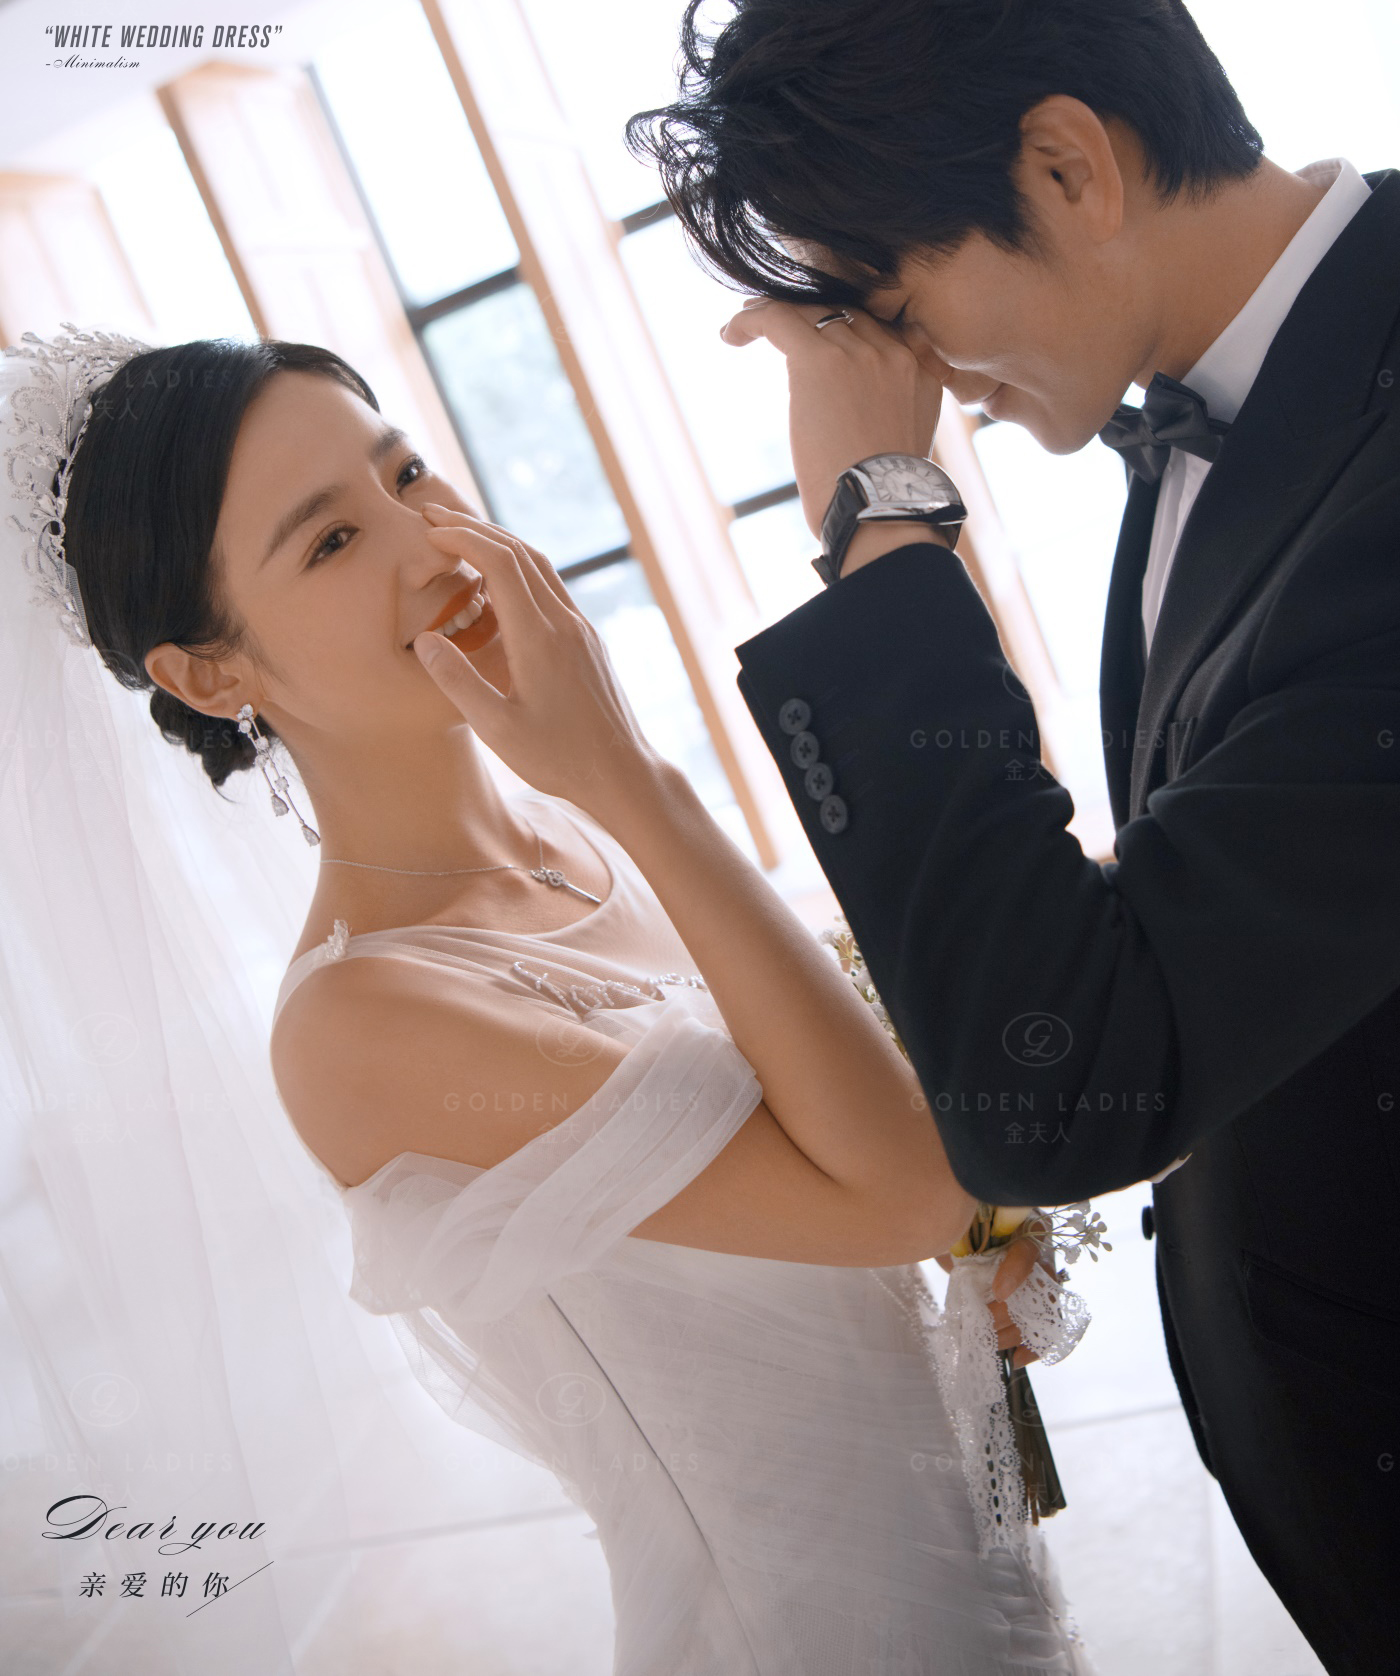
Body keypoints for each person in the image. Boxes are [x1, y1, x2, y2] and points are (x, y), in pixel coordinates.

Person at [625, 0, 1400, 1676]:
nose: (908, 373)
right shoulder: (1223, 417)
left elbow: (1071, 1093)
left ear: (1065, 164)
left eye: (895, 304)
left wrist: (881, 520)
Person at [30, 326, 1097, 1675]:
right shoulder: (360, 1024)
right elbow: (905, 1195)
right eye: (332, 542)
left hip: (963, 1559)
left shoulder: (575, 835)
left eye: (405, 474)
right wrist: (630, 771)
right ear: (209, 673)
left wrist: (991, 1233)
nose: (433, 547)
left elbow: (859, 1156)